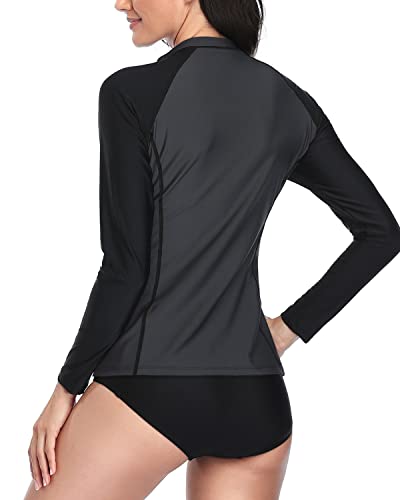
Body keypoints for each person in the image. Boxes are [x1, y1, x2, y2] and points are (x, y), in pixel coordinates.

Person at [25, 0, 400, 499]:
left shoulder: (131, 92)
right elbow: (381, 233)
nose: (121, 3)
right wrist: (285, 330)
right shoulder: (291, 101)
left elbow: (126, 268)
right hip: (256, 400)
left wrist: (66, 388)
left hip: (150, 386)